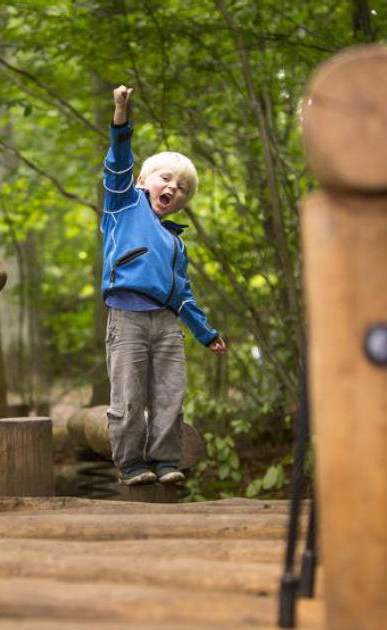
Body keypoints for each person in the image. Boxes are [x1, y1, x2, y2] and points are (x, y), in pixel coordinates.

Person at [100, 85, 226, 486]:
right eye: (165, 178)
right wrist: (121, 112)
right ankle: (132, 463)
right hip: (128, 319)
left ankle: (166, 460)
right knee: (129, 397)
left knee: (171, 395)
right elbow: (118, 162)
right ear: (142, 181)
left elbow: (183, 293)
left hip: (167, 325)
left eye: (181, 187)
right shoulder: (123, 204)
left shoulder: (175, 241)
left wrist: (206, 333)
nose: (172, 188)